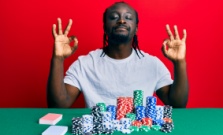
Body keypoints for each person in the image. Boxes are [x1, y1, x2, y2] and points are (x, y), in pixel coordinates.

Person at [47, 2, 188, 108]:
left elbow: (177, 104)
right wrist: (58, 59)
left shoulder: (152, 64)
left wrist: (180, 63)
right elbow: (59, 105)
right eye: (114, 17)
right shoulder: (85, 64)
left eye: (128, 17)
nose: (121, 20)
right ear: (104, 26)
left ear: (136, 28)